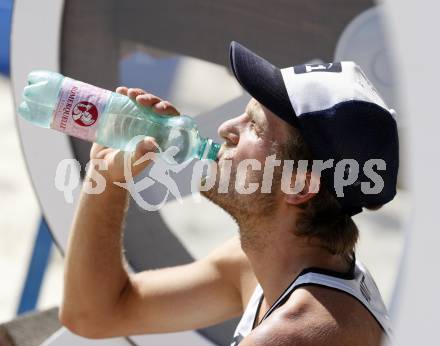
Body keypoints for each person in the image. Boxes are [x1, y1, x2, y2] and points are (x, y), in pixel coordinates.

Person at [59, 41, 398, 345]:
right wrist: (105, 177)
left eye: (254, 126)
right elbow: (94, 314)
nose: (225, 129)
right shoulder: (271, 264)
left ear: (299, 185)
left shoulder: (299, 333)